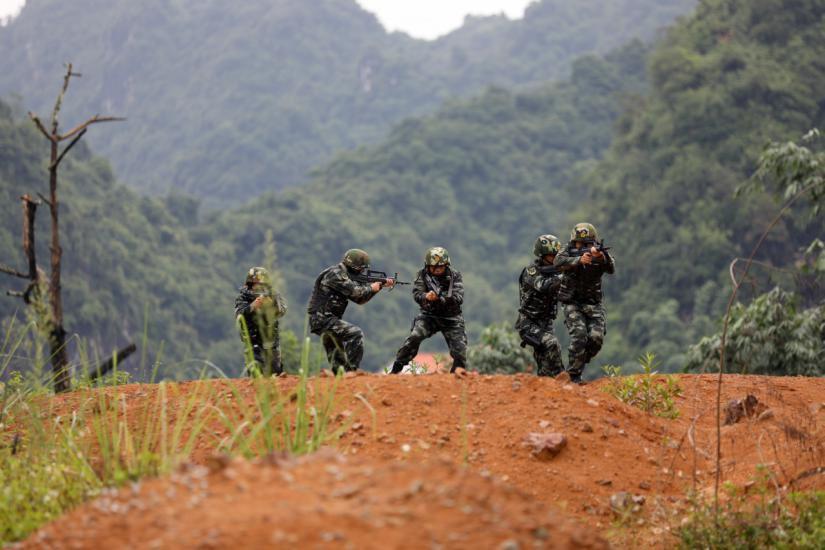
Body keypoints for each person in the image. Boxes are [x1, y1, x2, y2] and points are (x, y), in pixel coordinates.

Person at [307, 249, 395, 373]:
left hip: (326, 320)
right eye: (361, 268)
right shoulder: (335, 274)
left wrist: (378, 287)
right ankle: (353, 373)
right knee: (355, 333)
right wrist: (372, 287)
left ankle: (343, 379)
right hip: (323, 319)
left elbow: (360, 300)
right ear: (354, 266)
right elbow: (357, 293)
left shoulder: (343, 275)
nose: (362, 271)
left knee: (338, 361)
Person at [389, 247, 467, 374]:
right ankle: (395, 370)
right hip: (429, 316)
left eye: (440, 266)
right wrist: (426, 296)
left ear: (446, 265)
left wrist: (440, 299)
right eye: (433, 267)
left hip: (451, 318)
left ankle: (455, 378)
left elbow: (458, 298)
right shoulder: (422, 275)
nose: (437, 269)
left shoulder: (455, 276)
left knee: (460, 352)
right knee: (414, 337)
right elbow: (417, 294)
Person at [554, 223, 615, 384]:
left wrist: (601, 258)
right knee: (579, 336)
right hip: (572, 302)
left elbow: (611, 268)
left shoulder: (600, 253)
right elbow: (557, 262)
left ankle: (578, 361)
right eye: (578, 243)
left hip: (593, 303)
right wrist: (578, 260)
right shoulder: (567, 250)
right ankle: (573, 375)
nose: (581, 246)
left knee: (596, 339)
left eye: (586, 243)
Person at [516, 234, 565, 377]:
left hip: (546, 323)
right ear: (542, 255)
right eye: (551, 255)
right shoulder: (531, 272)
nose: (555, 258)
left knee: (550, 359)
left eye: (557, 255)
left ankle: (553, 382)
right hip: (529, 323)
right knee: (551, 344)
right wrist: (565, 275)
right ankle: (553, 380)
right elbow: (544, 286)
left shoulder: (557, 271)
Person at [235, 267, 287, 376]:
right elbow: (239, 314)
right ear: (249, 284)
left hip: (271, 342)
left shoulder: (273, 295)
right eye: (254, 284)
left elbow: (282, 311)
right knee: (256, 370)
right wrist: (252, 306)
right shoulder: (243, 297)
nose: (258, 287)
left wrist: (271, 305)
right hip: (252, 341)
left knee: (276, 372)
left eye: (261, 285)